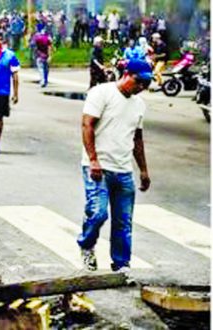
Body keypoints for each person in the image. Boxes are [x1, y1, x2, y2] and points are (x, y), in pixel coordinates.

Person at [78, 59, 152, 274]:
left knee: (123, 222)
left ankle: (121, 264)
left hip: (124, 170)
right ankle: (86, 244)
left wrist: (144, 170)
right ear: (126, 74)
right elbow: (87, 125)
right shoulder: (101, 93)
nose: (141, 88)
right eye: (139, 82)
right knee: (99, 213)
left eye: (146, 85)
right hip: (98, 167)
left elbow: (137, 139)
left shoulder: (139, 105)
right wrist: (93, 159)